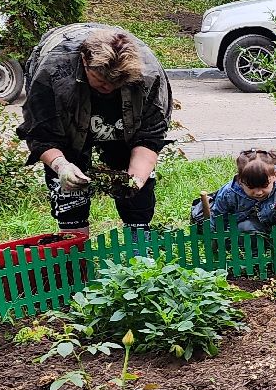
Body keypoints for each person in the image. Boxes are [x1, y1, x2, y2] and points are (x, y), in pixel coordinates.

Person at [17, 23, 173, 233]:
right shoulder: (53, 73)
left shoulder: (148, 75)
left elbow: (150, 136)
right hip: (67, 125)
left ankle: (139, 249)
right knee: (70, 193)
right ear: (84, 61)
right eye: (100, 81)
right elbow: (42, 136)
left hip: (124, 126)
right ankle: (76, 253)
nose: (107, 88)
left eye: (115, 83)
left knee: (136, 194)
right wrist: (61, 166)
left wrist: (135, 180)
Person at [198, 149, 276, 237]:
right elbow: (218, 217)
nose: (258, 192)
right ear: (241, 181)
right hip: (253, 227)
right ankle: (256, 258)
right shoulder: (229, 193)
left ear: (274, 176)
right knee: (243, 228)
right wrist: (213, 236)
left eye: (263, 186)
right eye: (251, 187)